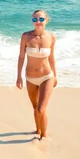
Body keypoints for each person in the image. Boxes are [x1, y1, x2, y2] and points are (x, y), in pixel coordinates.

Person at [16, 9, 58, 140]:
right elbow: (21, 57)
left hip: (47, 76)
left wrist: (55, 75)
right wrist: (19, 77)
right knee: (35, 108)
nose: (38, 22)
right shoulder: (26, 36)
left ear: (46, 20)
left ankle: (43, 137)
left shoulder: (51, 37)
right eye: (34, 19)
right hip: (30, 78)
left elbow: (51, 57)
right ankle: (38, 130)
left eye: (40, 19)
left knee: (41, 109)